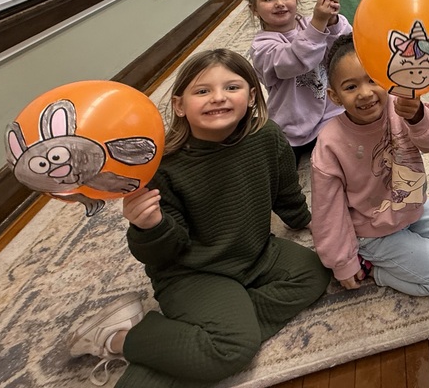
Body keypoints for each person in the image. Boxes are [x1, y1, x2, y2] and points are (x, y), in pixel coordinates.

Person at [67, 49, 330, 387]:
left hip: (256, 253)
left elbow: (285, 191)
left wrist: (303, 218)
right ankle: (120, 337)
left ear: (252, 96)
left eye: (231, 88)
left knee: (315, 271)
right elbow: (162, 255)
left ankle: (194, 335)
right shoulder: (163, 165)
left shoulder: (267, 136)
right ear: (179, 105)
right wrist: (149, 227)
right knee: (232, 348)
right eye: (202, 91)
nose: (218, 98)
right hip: (192, 272)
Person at [311, 35, 429, 298]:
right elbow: (326, 209)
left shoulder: (401, 107)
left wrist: (418, 117)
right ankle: (374, 269)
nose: (365, 93)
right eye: (351, 87)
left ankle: (406, 243)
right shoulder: (330, 143)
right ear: (335, 96)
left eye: (373, 79)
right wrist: (343, 262)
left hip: (412, 207)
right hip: (372, 229)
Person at [246, 0, 352, 164]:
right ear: (254, 9)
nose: (279, 3)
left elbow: (342, 49)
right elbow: (294, 62)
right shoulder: (261, 47)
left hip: (329, 115)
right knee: (278, 171)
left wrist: (333, 22)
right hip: (292, 124)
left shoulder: (308, 25)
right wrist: (319, 23)